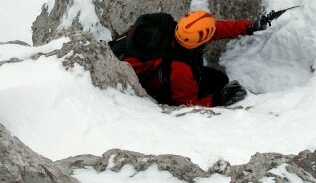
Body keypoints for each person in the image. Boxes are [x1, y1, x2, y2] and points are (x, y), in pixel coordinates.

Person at [110, 8, 286, 108]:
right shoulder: (180, 69)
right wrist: (218, 100)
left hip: (171, 75)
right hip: (163, 89)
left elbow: (217, 29)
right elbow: (186, 102)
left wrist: (249, 26)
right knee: (219, 82)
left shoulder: (180, 30)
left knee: (218, 79)